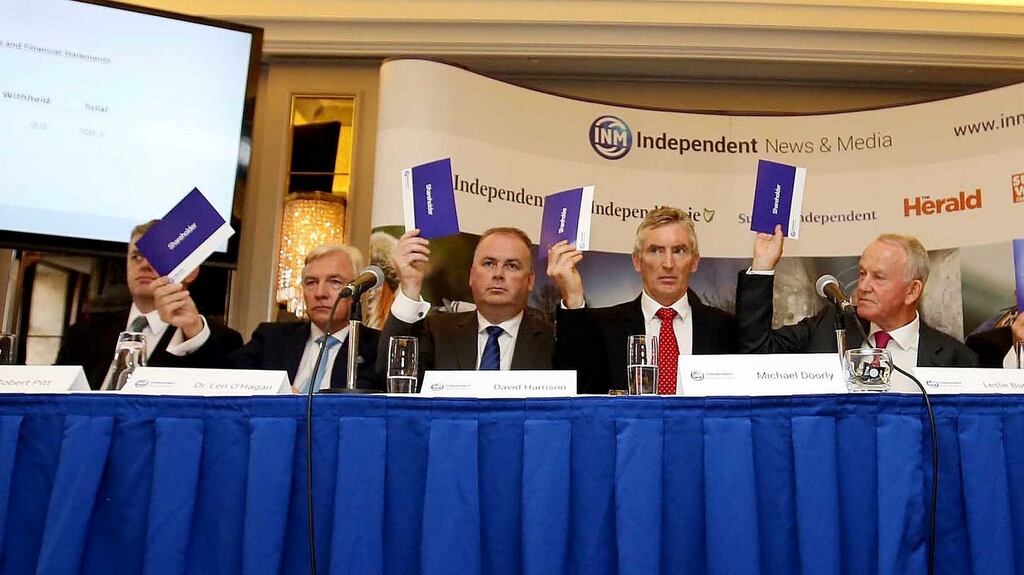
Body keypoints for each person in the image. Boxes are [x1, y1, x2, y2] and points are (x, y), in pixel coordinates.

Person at [736, 226, 977, 385]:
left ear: (912, 290)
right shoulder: (830, 326)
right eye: (862, 273)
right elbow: (757, 353)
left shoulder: (957, 360)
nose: (863, 286)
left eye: (879, 277)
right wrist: (762, 265)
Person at [547, 207, 736, 395]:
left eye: (678, 251)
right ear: (637, 261)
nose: (668, 264)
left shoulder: (726, 328)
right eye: (656, 251)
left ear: (694, 261)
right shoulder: (603, 327)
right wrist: (573, 297)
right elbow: (576, 389)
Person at [55, 219, 243, 389]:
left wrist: (192, 330)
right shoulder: (82, 335)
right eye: (136, 256)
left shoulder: (219, 340)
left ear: (191, 272)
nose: (144, 264)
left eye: (157, 256)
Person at [179, 244, 382, 392]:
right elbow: (223, 378)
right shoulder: (271, 339)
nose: (320, 292)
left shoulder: (376, 347)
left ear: (359, 292)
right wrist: (194, 328)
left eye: (335, 282)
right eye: (311, 282)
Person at [377, 227, 554, 379]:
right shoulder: (437, 333)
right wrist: (410, 286)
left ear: (530, 280)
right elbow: (391, 377)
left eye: (511, 266)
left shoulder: (552, 340)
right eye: (489, 263)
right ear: (472, 276)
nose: (498, 273)